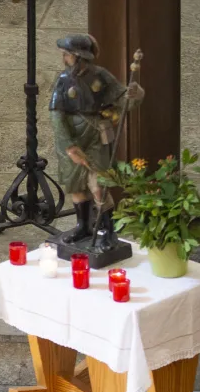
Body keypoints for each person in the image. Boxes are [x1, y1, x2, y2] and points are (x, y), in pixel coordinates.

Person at [49, 34, 144, 253]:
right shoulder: (63, 80)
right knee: (76, 186)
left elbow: (121, 99)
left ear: (80, 57)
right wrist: (69, 146)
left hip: (95, 136)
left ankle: (107, 231)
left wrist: (133, 95)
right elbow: (56, 114)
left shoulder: (100, 76)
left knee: (99, 186)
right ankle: (83, 226)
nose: (64, 59)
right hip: (72, 140)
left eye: (68, 55)